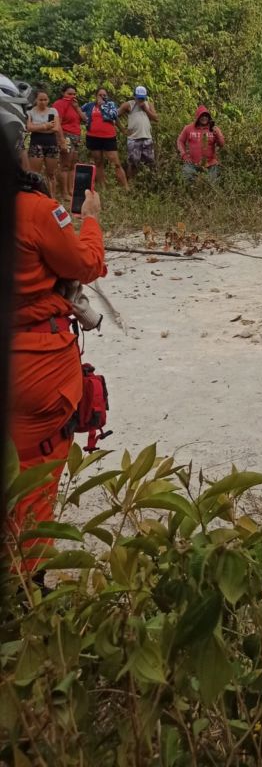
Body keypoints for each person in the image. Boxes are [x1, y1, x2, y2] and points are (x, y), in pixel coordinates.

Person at [9, 166, 106, 577]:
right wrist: (91, 219)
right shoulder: (34, 210)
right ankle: (26, 592)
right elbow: (86, 264)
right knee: (34, 469)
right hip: (33, 363)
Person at [82, 88, 128, 190]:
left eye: (104, 95)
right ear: (96, 95)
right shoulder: (89, 105)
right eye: (100, 94)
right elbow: (80, 114)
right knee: (98, 162)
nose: (102, 96)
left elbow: (114, 115)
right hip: (93, 137)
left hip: (108, 137)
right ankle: (103, 187)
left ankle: (125, 187)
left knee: (116, 163)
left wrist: (103, 105)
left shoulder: (110, 105)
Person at [26, 89, 62, 199]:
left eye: (45, 99)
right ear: (36, 100)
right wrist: (46, 126)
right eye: (40, 99)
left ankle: (52, 198)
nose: (43, 102)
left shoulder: (53, 111)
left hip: (51, 144)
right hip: (36, 144)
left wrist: (38, 127)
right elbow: (29, 128)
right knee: (35, 174)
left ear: (48, 100)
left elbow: (55, 128)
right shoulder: (30, 112)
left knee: (51, 174)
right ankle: (35, 197)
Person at [53, 84, 87, 200]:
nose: (72, 96)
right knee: (65, 165)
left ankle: (71, 190)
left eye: (74, 94)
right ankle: (64, 192)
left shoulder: (75, 105)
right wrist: (61, 140)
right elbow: (57, 124)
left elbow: (85, 119)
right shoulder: (59, 104)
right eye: (69, 94)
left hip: (76, 136)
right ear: (63, 93)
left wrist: (77, 108)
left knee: (73, 165)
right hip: (66, 136)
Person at [177, 105, 225, 182]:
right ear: (198, 117)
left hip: (210, 164)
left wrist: (218, 135)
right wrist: (184, 155)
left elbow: (222, 144)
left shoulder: (214, 129)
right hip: (193, 163)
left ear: (209, 117)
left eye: (206, 116)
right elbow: (180, 141)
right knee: (186, 179)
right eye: (202, 115)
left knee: (212, 184)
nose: (204, 118)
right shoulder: (188, 128)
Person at [118, 85, 158, 178]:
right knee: (132, 164)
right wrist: (122, 129)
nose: (140, 100)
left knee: (150, 163)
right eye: (139, 98)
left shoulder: (149, 104)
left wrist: (146, 109)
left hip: (147, 138)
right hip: (134, 139)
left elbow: (156, 118)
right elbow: (114, 115)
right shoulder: (129, 105)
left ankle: (147, 183)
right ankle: (131, 185)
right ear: (134, 96)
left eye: (142, 98)